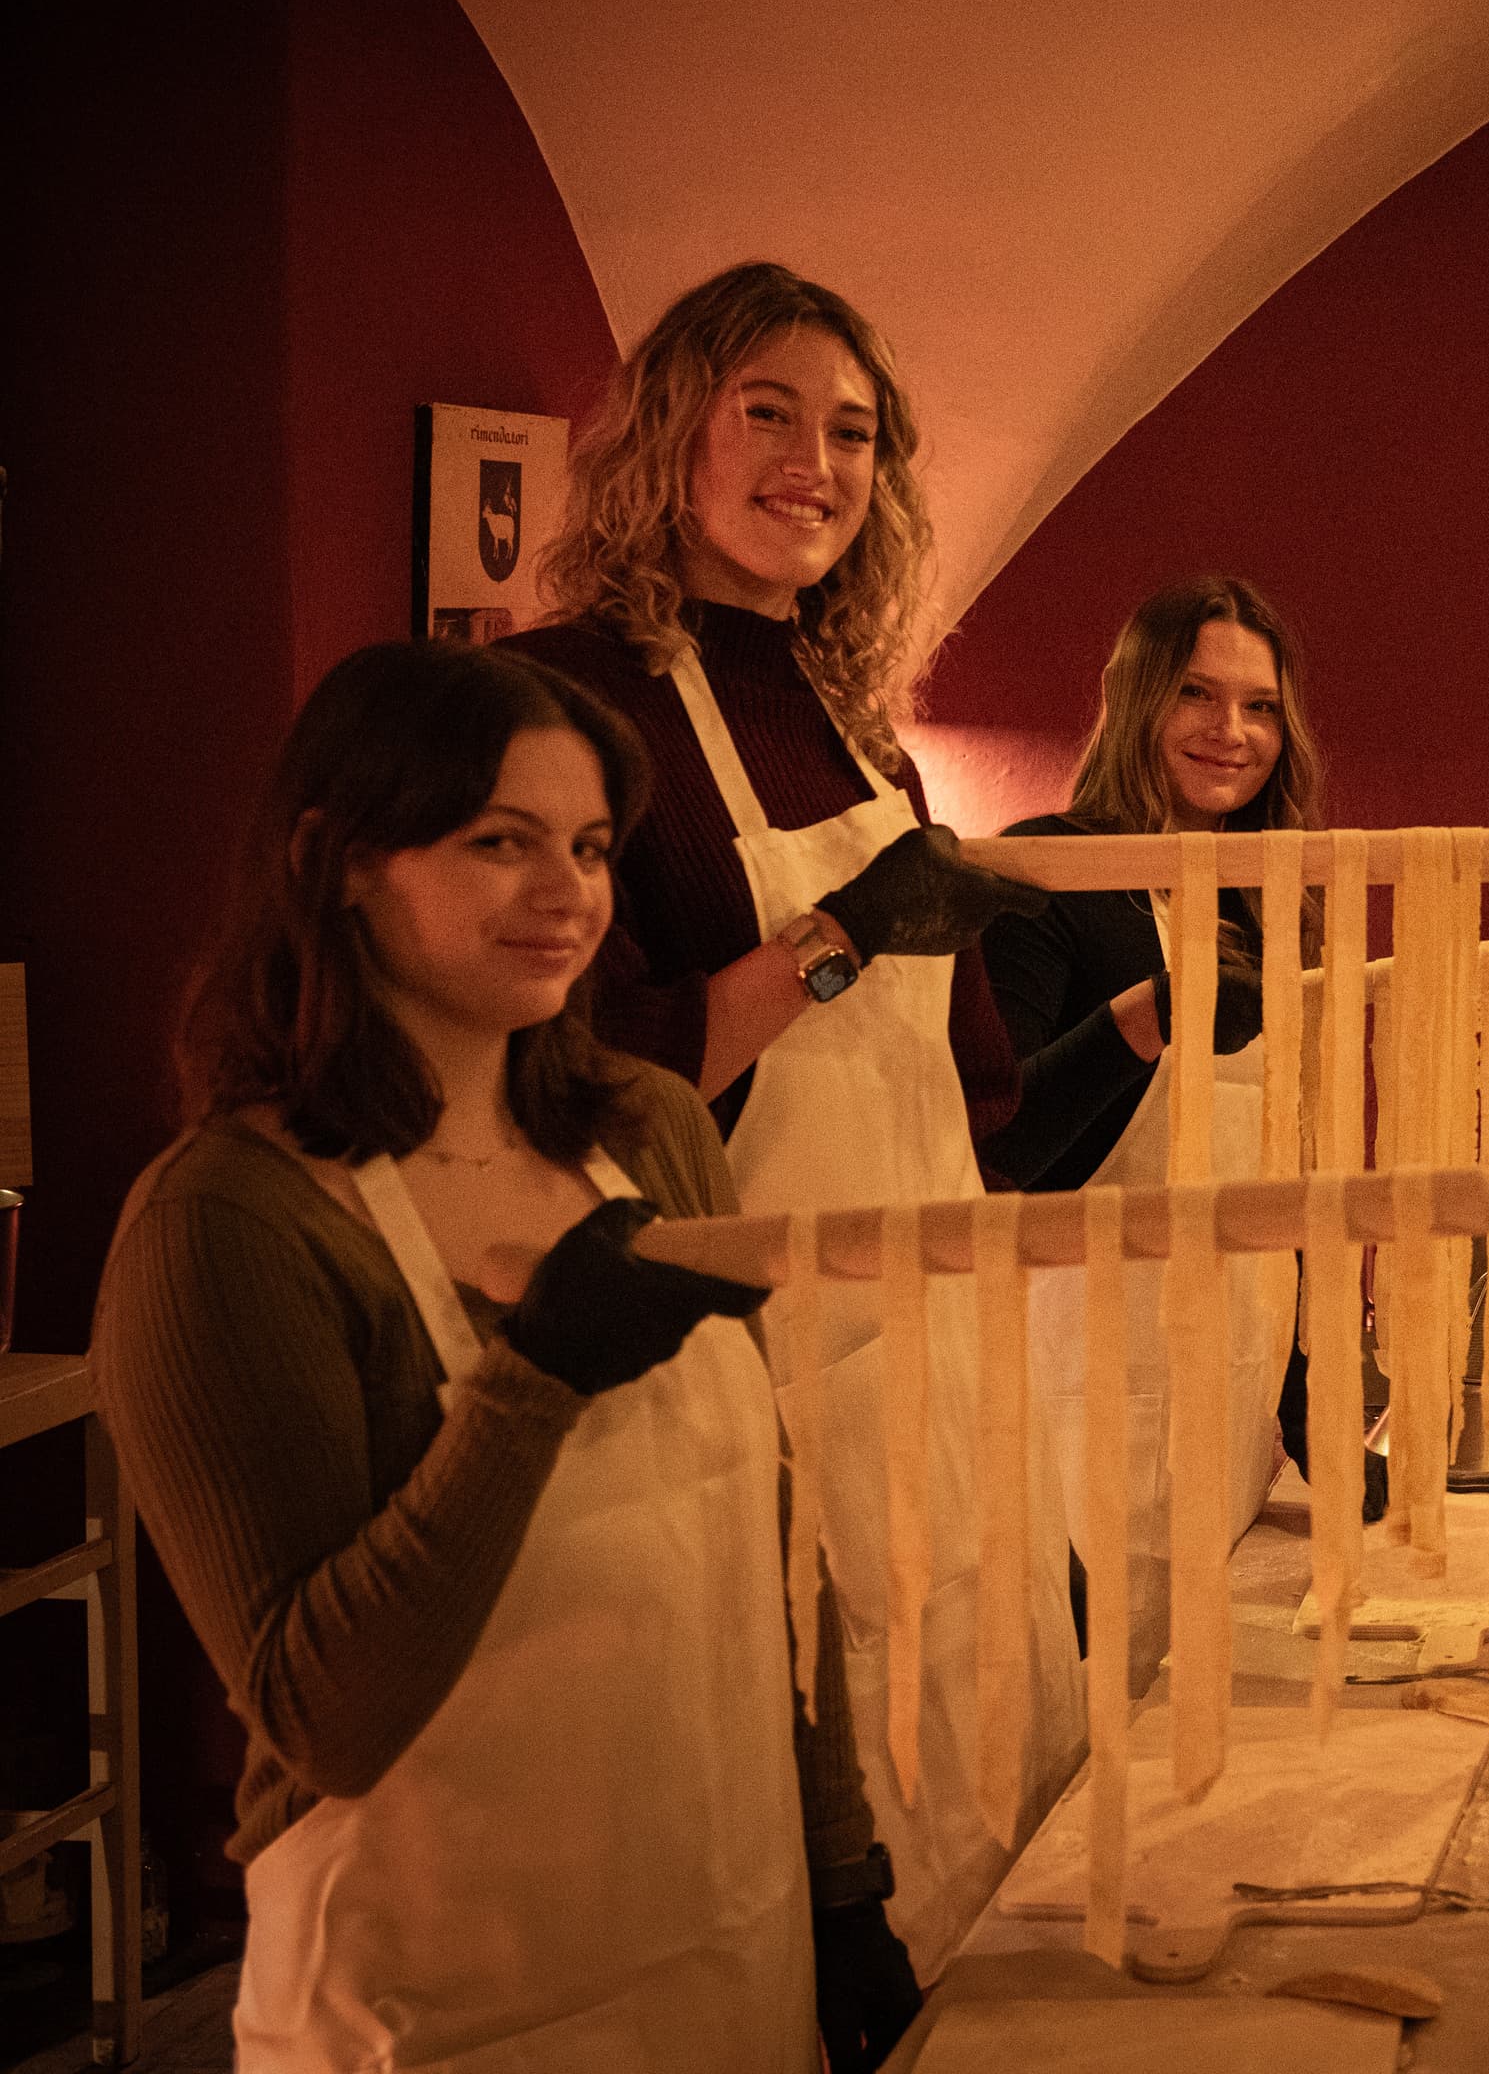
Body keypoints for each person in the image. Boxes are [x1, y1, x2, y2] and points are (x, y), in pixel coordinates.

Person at [91, 641, 921, 2072]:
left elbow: (777, 1539)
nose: (569, 893)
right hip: (434, 2005)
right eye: (500, 842)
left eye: (590, 847)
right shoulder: (230, 1224)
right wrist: (529, 1383)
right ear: (339, 863)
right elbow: (323, 1717)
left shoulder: (652, 1130)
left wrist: (844, 1876)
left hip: (727, 1938)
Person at [509, 261, 1073, 1970]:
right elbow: (571, 1081)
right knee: (802, 1824)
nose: (813, 465)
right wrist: (835, 945)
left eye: (852, 433)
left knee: (975, 1788)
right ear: (671, 431)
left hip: (931, 1353)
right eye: (769, 413)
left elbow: (968, 1093)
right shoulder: (564, 705)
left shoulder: (858, 729)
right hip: (724, 1355)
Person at [976, 576, 1328, 1686]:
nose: (1233, 731)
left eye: (1261, 706)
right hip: (1076, 1386)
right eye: (1196, 693)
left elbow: (1287, 1175)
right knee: (1083, 1714)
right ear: (1138, 698)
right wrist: (1139, 1023)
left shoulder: (1272, 899)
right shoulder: (1047, 874)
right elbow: (994, 1149)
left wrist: (1314, 1400)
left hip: (1230, 1397)